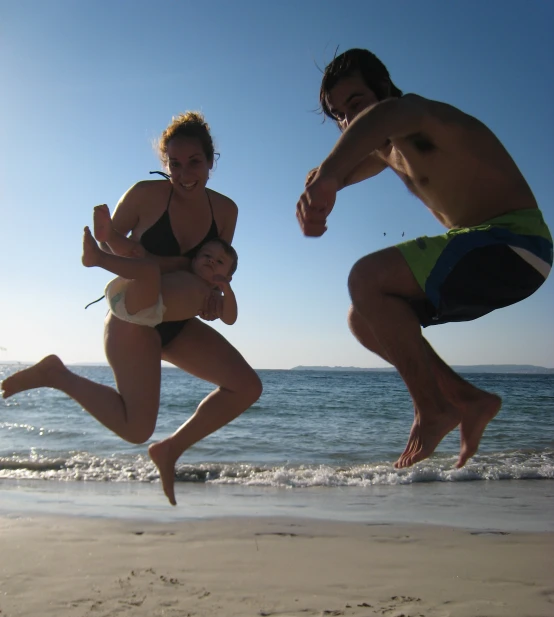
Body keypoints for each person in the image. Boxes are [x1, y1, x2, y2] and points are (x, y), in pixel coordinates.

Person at [296, 48, 552, 470]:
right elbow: (354, 161)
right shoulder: (388, 149)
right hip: (497, 259)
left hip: (515, 243)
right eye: (339, 116)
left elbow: (379, 121)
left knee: (366, 277)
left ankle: (431, 410)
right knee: (363, 317)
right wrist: (326, 183)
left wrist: (328, 173)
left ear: (384, 90)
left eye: (354, 105)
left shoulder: (413, 112)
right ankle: (467, 400)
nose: (348, 121)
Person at [2, 111, 262, 506]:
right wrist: (143, 257)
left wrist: (215, 300)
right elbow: (110, 242)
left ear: (212, 161)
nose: (184, 173)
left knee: (245, 387)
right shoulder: (145, 194)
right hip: (135, 317)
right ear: (165, 164)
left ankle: (170, 449)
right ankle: (56, 374)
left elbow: (219, 265)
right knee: (136, 424)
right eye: (174, 164)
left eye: (194, 162)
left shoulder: (226, 211)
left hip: (176, 322)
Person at [82, 207, 239, 328]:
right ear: (195, 260)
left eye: (219, 262)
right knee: (140, 257)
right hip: (133, 295)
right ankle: (110, 237)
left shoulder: (213, 297)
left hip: (148, 311)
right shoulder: (184, 271)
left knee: (149, 269)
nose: (211, 261)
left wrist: (227, 291)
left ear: (228, 277)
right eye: (207, 256)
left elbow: (230, 319)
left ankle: (99, 258)